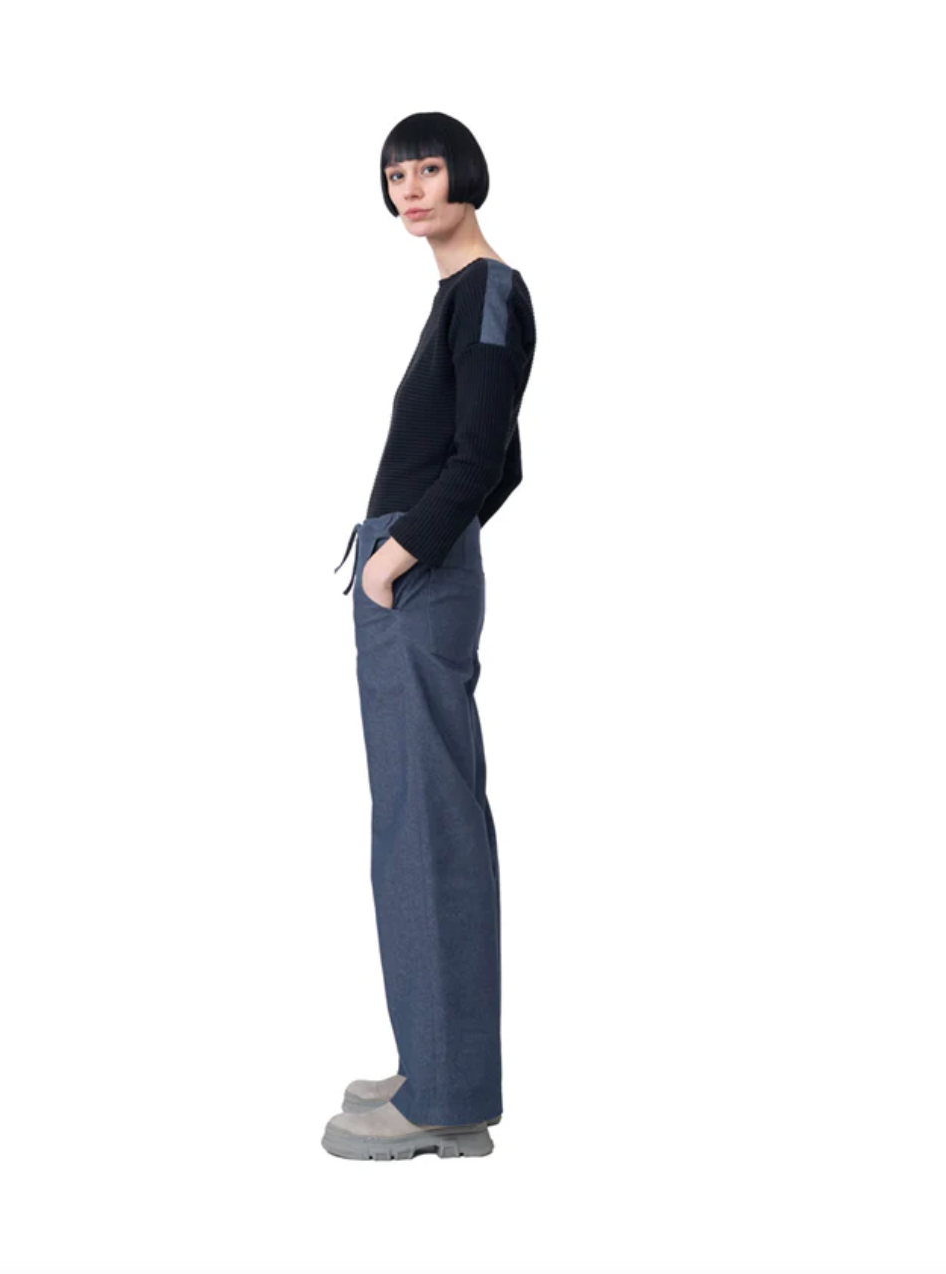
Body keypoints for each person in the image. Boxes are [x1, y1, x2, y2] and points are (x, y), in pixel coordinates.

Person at [323, 112, 537, 1161]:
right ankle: (432, 1059)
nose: (411, 188)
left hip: (414, 578)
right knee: (409, 822)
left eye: (429, 168)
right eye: (395, 173)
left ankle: (448, 1098)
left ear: (467, 174)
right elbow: (503, 464)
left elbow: (485, 456)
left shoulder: (490, 289)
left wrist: (398, 560)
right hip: (414, 572)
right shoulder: (458, 295)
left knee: (430, 827)